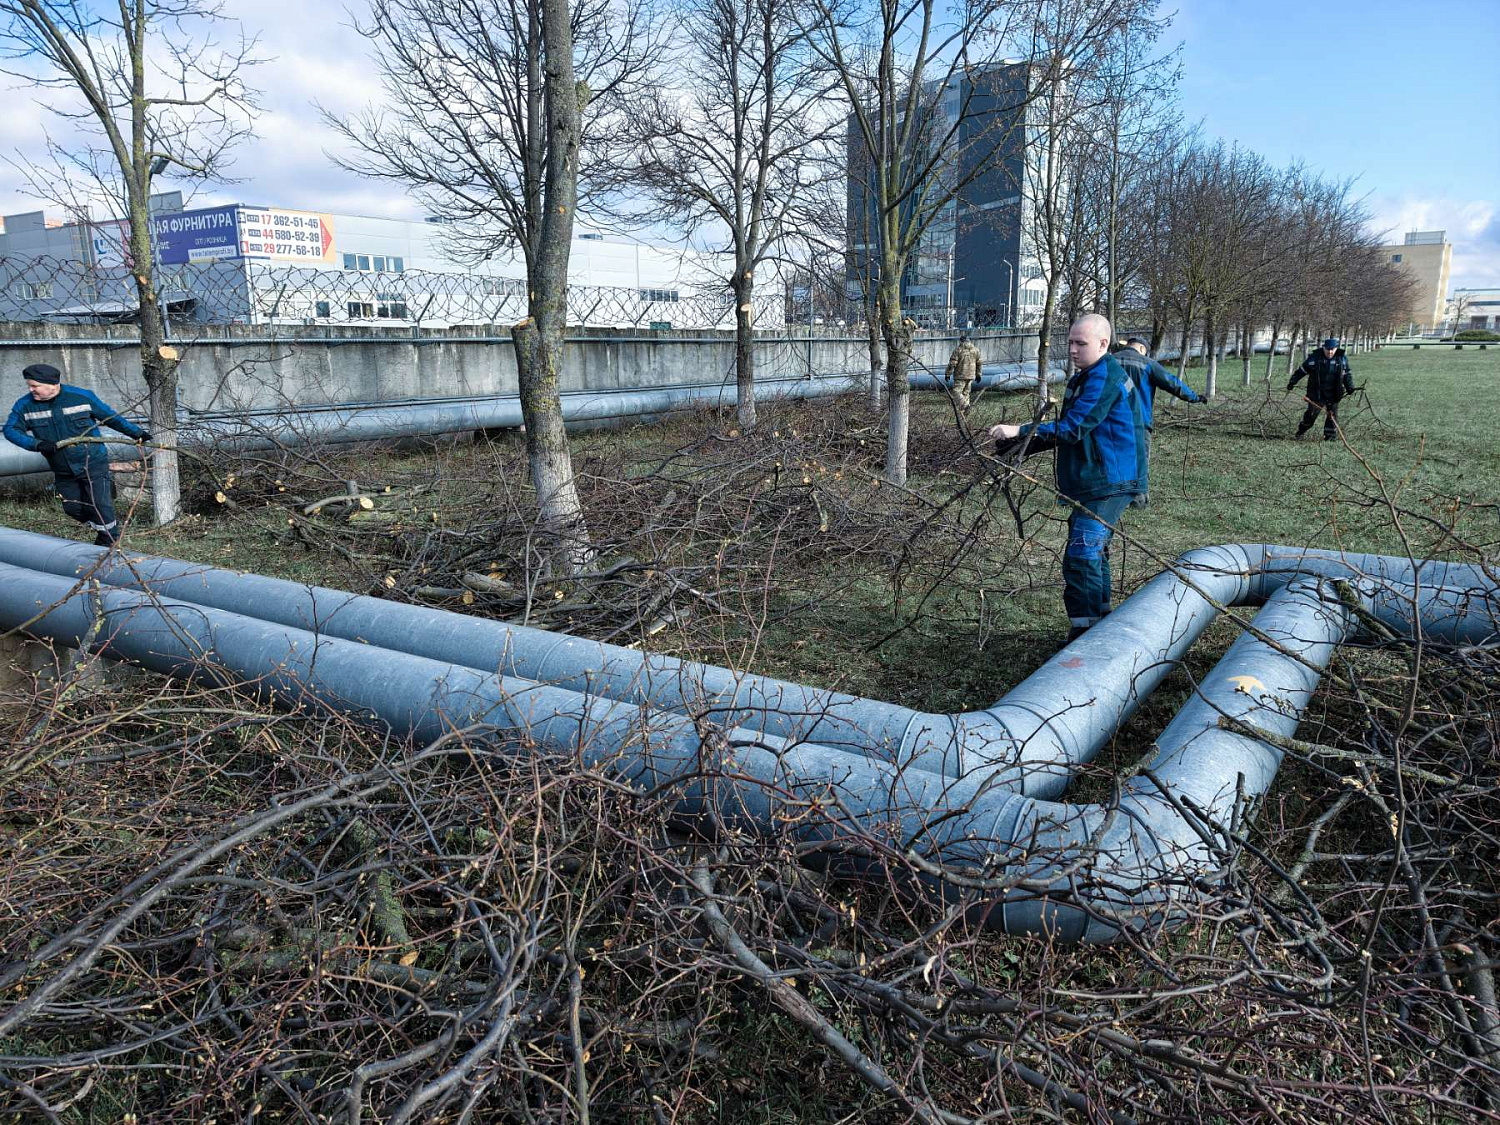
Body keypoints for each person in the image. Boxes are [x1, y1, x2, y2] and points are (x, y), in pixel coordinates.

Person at [988, 313, 1147, 641]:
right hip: (1095, 479)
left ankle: (1084, 634)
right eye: (1070, 342)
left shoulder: (1104, 376)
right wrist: (1018, 446)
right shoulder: (1085, 377)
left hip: (1109, 482)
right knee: (1093, 550)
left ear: (1103, 344)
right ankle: (1100, 622)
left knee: (1083, 552)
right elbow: (1071, 431)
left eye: (1080, 343)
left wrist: (1020, 429)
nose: (1072, 349)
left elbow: (1074, 428)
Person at [4, 363, 151, 546]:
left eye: (35, 386)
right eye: (29, 385)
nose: (31, 389)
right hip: (62, 468)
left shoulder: (81, 397)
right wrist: (37, 444)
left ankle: (109, 543)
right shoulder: (25, 405)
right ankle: (102, 531)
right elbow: (11, 430)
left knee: (100, 505)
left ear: (52, 384)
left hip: (92, 462)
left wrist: (137, 433)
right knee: (72, 507)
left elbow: (111, 418)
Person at [1113, 337, 1204, 506]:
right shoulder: (1147, 363)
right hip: (1139, 421)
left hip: (1110, 421)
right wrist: (1194, 397)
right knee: (1139, 460)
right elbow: (1172, 383)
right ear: (1142, 348)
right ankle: (1138, 501)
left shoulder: (1110, 361)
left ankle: (1113, 500)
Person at [1287, 337, 1355, 441]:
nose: (1330, 352)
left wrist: (1349, 386)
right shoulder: (1315, 358)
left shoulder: (1342, 359)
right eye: (1328, 349)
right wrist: (1292, 382)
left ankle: (1330, 437)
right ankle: (1301, 432)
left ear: (1336, 348)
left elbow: (1347, 374)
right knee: (1311, 415)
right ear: (1324, 348)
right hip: (1316, 393)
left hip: (1334, 393)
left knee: (1332, 416)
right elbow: (1301, 371)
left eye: (1332, 349)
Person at [944, 332, 982, 411]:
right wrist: (978, 374)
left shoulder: (958, 350)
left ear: (961, 341)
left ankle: (965, 406)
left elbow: (952, 363)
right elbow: (979, 363)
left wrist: (948, 373)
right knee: (966, 393)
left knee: (956, 392)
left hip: (960, 375)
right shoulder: (976, 350)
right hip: (971, 375)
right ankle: (965, 412)